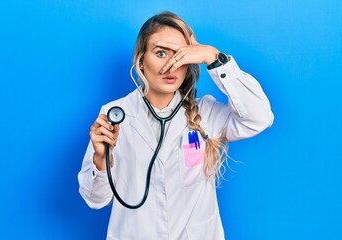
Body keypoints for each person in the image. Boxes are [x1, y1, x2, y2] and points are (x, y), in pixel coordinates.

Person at [78, 11, 274, 240]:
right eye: (160, 53)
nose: (171, 65)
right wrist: (101, 160)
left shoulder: (206, 114)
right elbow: (95, 200)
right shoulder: (114, 115)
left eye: (180, 55)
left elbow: (260, 118)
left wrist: (214, 57)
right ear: (140, 60)